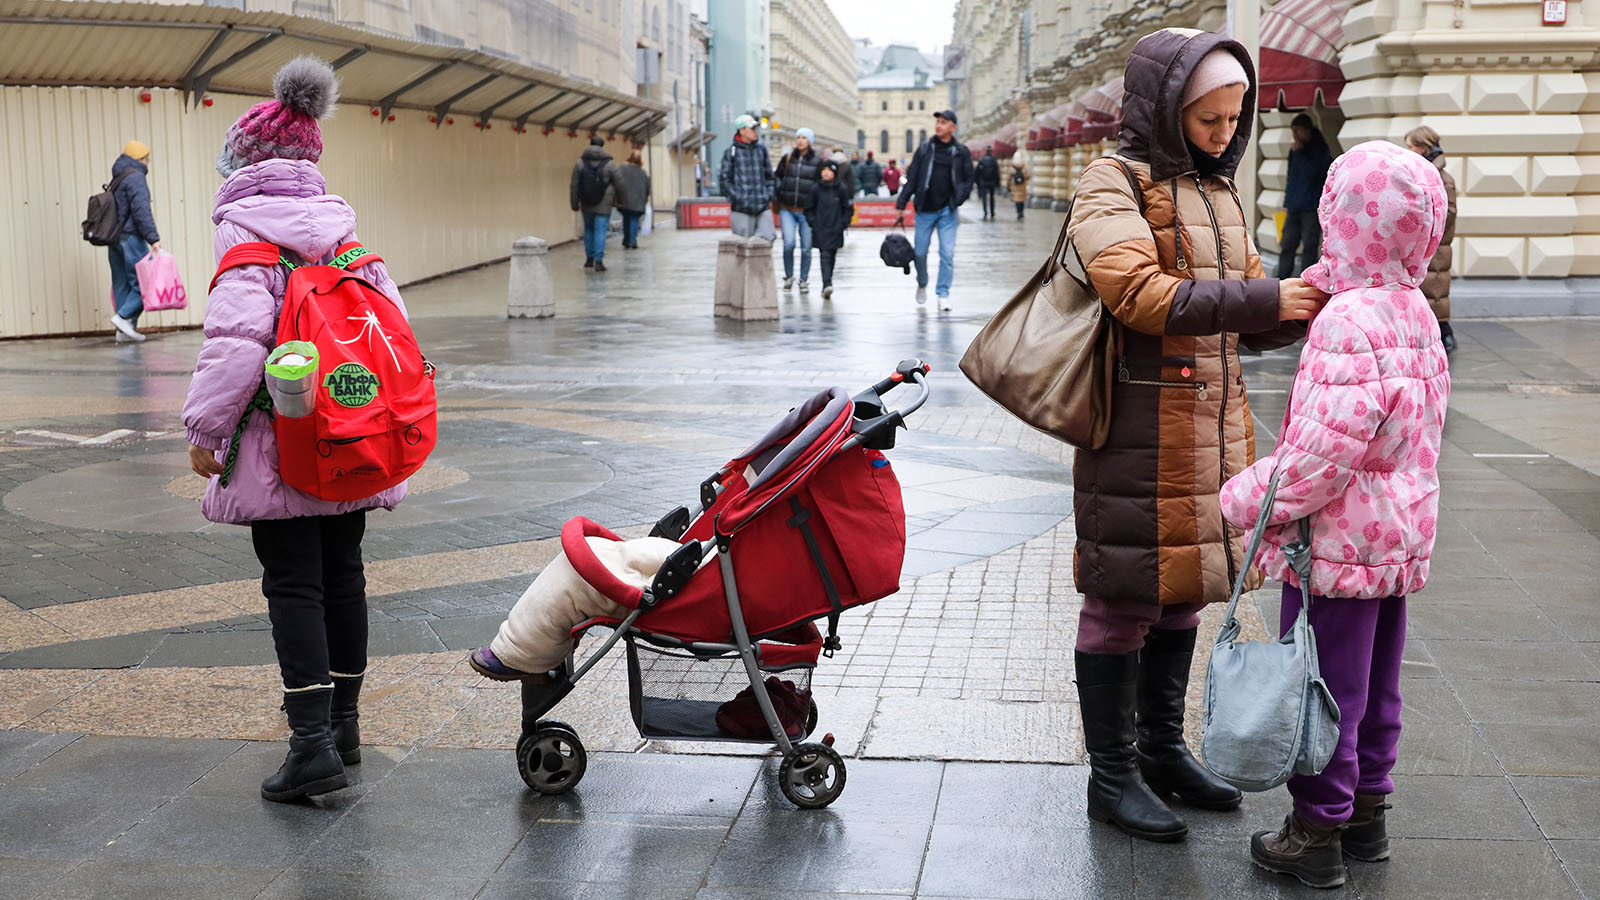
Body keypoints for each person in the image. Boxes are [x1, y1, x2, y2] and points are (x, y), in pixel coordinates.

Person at [1064, 29, 1328, 843]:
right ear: (1166, 108)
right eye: (1208, 120)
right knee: (1123, 596)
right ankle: (1112, 778)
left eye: (1233, 119)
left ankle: (1161, 751)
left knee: (1184, 591)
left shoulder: (1218, 191)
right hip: (1137, 426)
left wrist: (1305, 303)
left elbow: (1246, 317)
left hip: (1211, 429)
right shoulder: (1112, 181)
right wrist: (1264, 301)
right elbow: (1139, 296)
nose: (1224, 136)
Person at [1221, 140, 1451, 890]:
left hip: (1339, 544)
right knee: (1378, 682)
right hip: (1398, 533)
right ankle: (1366, 816)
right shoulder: (1411, 307)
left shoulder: (1350, 322)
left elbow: (1318, 461)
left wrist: (1245, 499)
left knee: (1323, 686)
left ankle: (1316, 828)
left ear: (1343, 220)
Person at [182, 57, 411, 803]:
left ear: (244, 166)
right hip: (351, 442)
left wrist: (206, 430)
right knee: (343, 574)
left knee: (292, 584)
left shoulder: (247, 238)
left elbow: (235, 345)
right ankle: (343, 725)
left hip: (276, 444)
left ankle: (310, 746)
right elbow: (394, 336)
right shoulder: (346, 237)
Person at [896, 109, 974, 310]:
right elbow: (912, 177)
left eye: (944, 122)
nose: (939, 125)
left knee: (947, 254)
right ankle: (922, 282)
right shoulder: (925, 148)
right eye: (938, 122)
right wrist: (902, 203)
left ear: (952, 127)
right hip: (924, 210)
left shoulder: (961, 151)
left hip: (947, 211)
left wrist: (958, 200)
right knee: (920, 253)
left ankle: (943, 294)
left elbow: (968, 179)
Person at [1406, 126, 1458, 355]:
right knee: (1429, 293)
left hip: (1435, 246)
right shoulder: (1423, 173)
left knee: (1435, 294)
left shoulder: (1441, 178)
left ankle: (1446, 336)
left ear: (1423, 148)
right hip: (1426, 243)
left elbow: (1449, 213)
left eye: (1410, 146)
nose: (1407, 151)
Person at [107, 140, 162, 342]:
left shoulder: (119, 176)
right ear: (140, 159)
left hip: (114, 237)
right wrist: (153, 239)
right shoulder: (136, 177)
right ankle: (123, 318)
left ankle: (124, 331)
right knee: (144, 282)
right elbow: (141, 210)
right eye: (147, 159)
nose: (147, 163)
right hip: (131, 237)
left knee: (121, 283)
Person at [1277, 112, 1333, 278]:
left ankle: (1307, 280)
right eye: (1293, 131)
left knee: (1309, 245)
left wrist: (1301, 153)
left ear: (1307, 130)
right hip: (1294, 206)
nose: (1295, 135)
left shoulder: (1320, 149)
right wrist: (1286, 203)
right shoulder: (1294, 150)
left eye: (1298, 131)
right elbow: (1291, 178)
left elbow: (1315, 173)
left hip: (1311, 207)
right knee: (1287, 244)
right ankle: (1282, 278)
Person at [774, 128, 822, 292]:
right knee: (788, 243)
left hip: (806, 211)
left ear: (810, 141)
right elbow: (777, 178)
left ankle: (803, 279)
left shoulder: (817, 162)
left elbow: (819, 187)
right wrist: (778, 193)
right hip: (787, 208)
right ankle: (788, 276)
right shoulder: (788, 159)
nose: (800, 140)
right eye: (798, 137)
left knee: (806, 248)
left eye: (804, 138)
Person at [719, 114, 777, 240]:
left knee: (768, 238)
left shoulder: (761, 150)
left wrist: (768, 195)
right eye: (752, 128)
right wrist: (739, 198)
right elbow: (724, 180)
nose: (755, 132)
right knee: (742, 246)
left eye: (756, 128)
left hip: (762, 205)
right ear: (742, 131)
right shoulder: (731, 152)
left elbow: (770, 177)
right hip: (741, 208)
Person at [571, 137, 622, 272]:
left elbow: (574, 185)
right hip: (604, 203)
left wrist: (574, 203)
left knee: (589, 229)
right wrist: (621, 201)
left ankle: (589, 259)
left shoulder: (580, 163)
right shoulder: (610, 164)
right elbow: (619, 183)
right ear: (602, 146)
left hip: (586, 202)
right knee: (600, 230)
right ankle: (599, 261)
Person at [807, 160, 854, 300]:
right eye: (824, 170)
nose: (826, 172)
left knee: (832, 255)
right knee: (824, 254)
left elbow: (848, 209)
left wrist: (843, 224)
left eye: (829, 170)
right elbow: (809, 209)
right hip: (820, 228)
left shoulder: (841, 189)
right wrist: (813, 223)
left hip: (836, 228)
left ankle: (828, 282)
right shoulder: (815, 189)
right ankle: (826, 284)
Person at [615, 149, 651, 249]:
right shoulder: (643, 172)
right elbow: (648, 187)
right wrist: (645, 198)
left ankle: (626, 240)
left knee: (626, 219)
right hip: (638, 201)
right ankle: (633, 241)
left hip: (624, 200)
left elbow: (617, 182)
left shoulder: (621, 168)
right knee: (634, 220)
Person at [974, 146, 1001, 220]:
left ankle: (985, 211)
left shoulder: (982, 160)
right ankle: (992, 212)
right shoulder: (993, 160)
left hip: (983, 182)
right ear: (991, 151)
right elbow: (997, 173)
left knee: (984, 198)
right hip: (992, 182)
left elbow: (977, 172)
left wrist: (977, 182)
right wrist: (998, 184)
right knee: (992, 197)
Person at [1008, 151, 1030, 220]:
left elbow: (1009, 176)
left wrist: (1008, 185)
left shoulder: (1012, 167)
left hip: (1015, 187)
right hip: (1022, 186)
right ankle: (1021, 212)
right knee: (1022, 200)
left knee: (1017, 200)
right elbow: (1029, 175)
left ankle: (1018, 212)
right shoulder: (1024, 166)